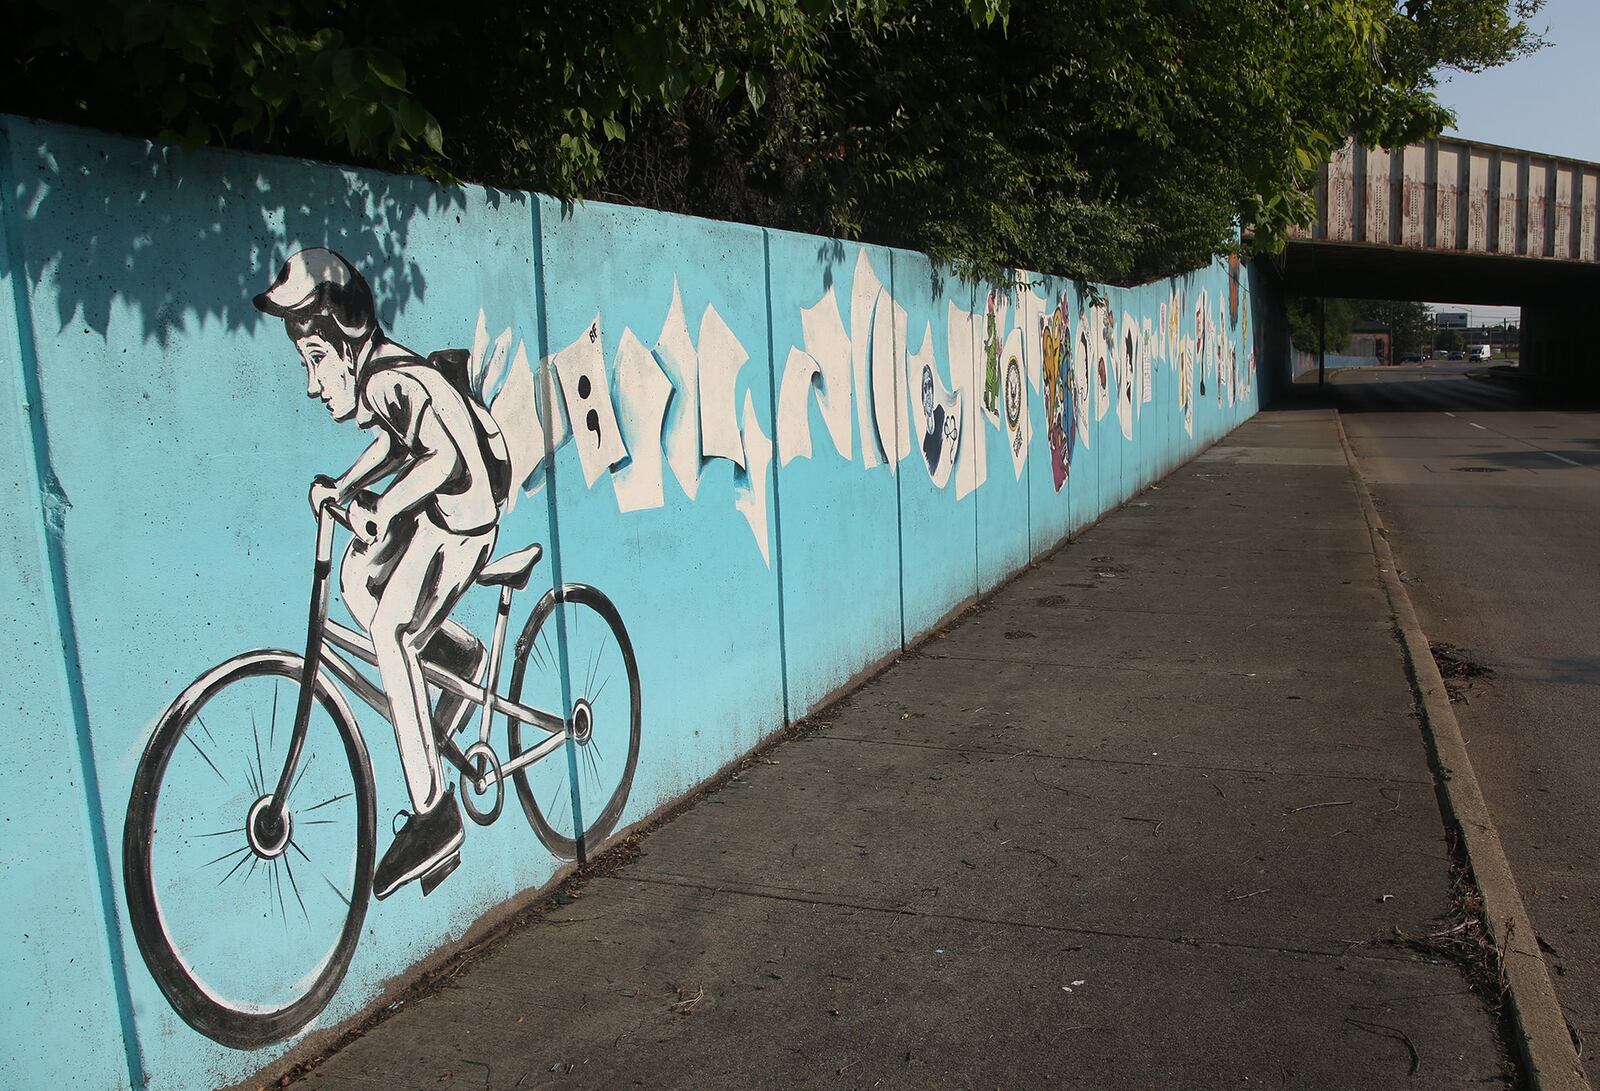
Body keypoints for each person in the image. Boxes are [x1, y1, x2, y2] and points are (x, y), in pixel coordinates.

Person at [254, 248, 512, 899]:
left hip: (464, 518)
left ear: (347, 341)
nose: (312, 382)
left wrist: (382, 503)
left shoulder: (386, 376)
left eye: (315, 360)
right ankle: (460, 656)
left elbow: (441, 456)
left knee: (392, 630)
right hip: (438, 511)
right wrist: (343, 487)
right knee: (354, 575)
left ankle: (435, 814)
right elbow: (394, 442)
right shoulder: (380, 375)